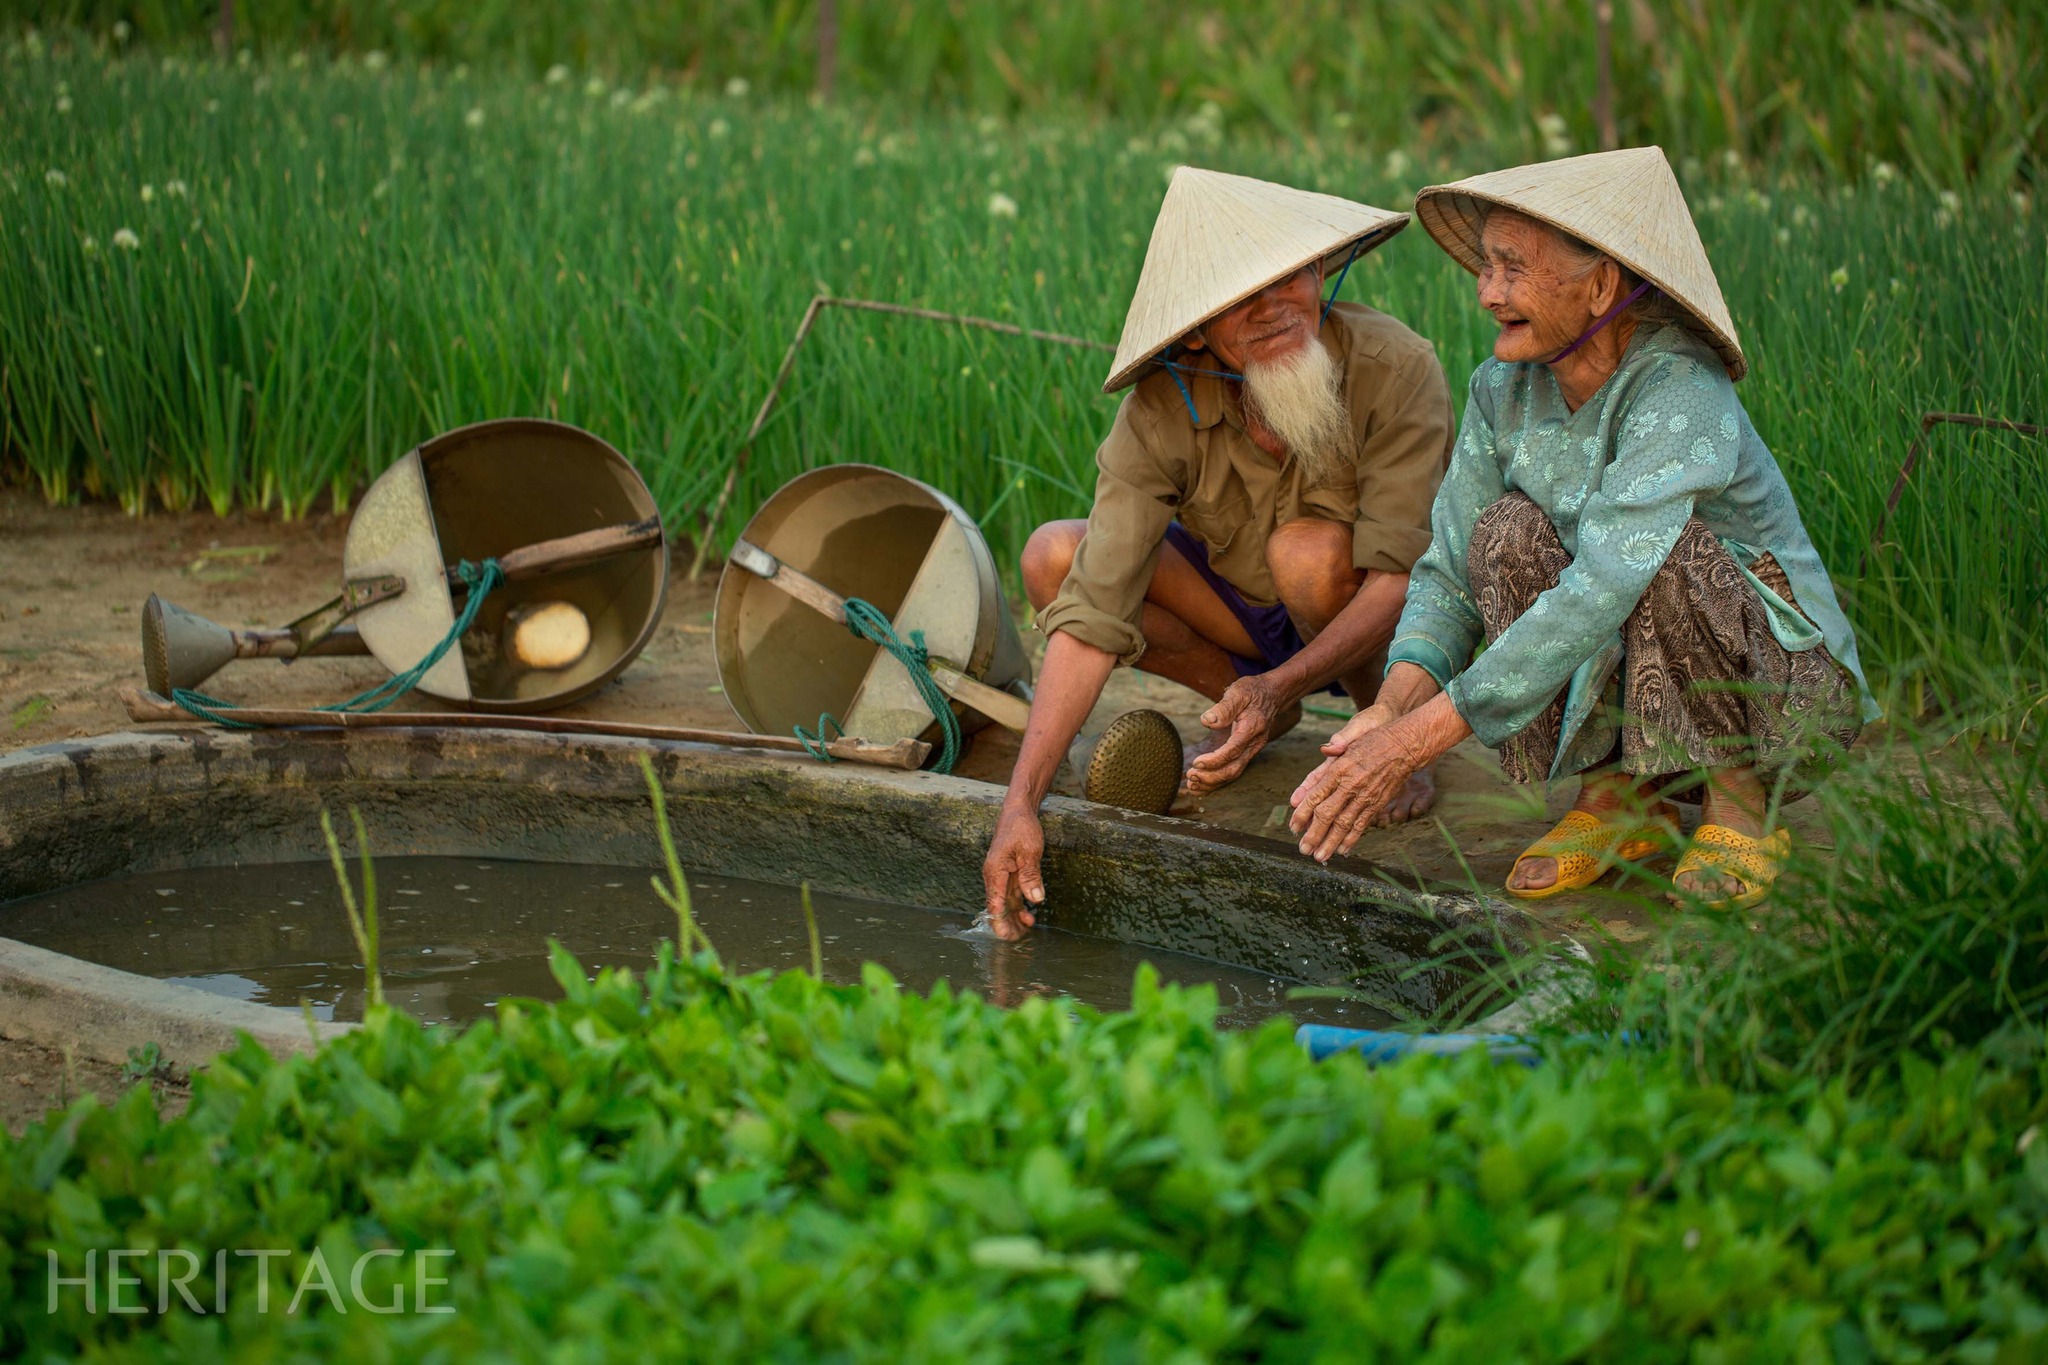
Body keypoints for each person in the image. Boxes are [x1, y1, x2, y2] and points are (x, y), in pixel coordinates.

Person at [1287, 147, 1878, 910]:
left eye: (1512, 268)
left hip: (1781, 695)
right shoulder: (1502, 390)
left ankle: (1739, 802)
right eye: (1486, 266)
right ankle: (1621, 799)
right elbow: (1448, 572)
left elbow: (1604, 585)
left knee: (1668, 554)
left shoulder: (1678, 385)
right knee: (1502, 533)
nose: (1486, 292)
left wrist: (1421, 738)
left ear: (1600, 286)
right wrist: (1391, 707)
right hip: (1641, 685)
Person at [982, 167, 1457, 939]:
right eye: (1242, 297)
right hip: (1244, 620)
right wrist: (1019, 802)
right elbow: (1095, 608)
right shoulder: (1162, 406)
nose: (1273, 309)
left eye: (1288, 279)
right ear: (1200, 327)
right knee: (1052, 558)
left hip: (1372, 618)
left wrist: (1297, 687)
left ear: (1320, 274)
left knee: (1304, 553)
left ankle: (1385, 730)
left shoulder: (1394, 367)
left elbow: (1403, 579)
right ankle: (1250, 710)